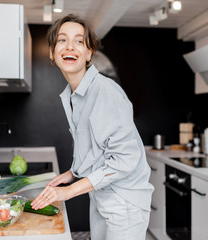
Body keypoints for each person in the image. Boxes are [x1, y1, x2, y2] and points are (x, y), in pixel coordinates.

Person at [30, 14, 154, 240]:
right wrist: (72, 173)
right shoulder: (74, 94)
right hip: (101, 194)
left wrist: (68, 191)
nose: (70, 47)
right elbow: (96, 148)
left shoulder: (105, 91)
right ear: (52, 52)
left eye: (79, 41)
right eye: (62, 40)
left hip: (124, 201)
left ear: (89, 54)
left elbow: (125, 159)